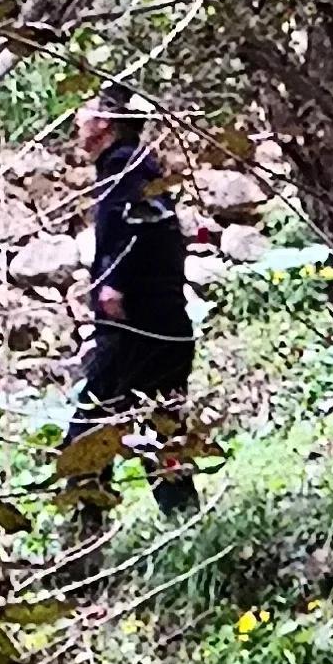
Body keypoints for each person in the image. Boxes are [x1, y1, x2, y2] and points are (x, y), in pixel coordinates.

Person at [56, 97, 201, 546]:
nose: (76, 121)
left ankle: (83, 546)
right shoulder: (135, 166)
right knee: (159, 429)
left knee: (89, 435)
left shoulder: (126, 167)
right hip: (162, 326)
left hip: (136, 329)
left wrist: (113, 284)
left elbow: (137, 228)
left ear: (104, 122)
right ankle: (189, 530)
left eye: (83, 111)